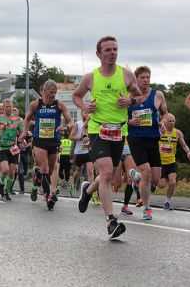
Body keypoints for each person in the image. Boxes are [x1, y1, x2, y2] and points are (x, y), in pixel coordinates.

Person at [72, 35, 141, 239]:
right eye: (108, 50)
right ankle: (111, 221)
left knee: (108, 175)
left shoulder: (127, 75)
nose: (112, 53)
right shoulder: (90, 77)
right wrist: (84, 106)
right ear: (99, 54)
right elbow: (76, 96)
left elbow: (138, 97)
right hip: (97, 130)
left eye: (115, 49)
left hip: (119, 131)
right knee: (107, 171)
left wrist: (129, 101)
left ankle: (87, 190)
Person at [24, 80, 74, 210]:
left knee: (51, 170)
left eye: (55, 93)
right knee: (45, 169)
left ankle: (36, 180)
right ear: (44, 91)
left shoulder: (59, 105)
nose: (53, 95)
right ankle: (48, 196)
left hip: (54, 141)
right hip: (39, 141)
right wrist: (25, 131)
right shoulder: (36, 105)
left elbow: (70, 121)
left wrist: (65, 126)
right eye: (51, 93)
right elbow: (27, 118)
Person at [127, 66, 167, 220]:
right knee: (147, 172)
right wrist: (130, 121)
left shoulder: (158, 95)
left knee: (156, 180)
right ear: (136, 79)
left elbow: (165, 113)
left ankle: (135, 176)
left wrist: (162, 122)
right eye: (142, 77)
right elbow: (119, 118)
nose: (145, 80)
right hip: (136, 139)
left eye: (148, 77)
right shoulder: (128, 96)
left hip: (153, 139)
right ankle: (146, 208)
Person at [158, 113, 190, 209]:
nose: (172, 123)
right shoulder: (160, 131)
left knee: (172, 182)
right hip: (160, 162)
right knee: (161, 185)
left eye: (173, 121)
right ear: (165, 121)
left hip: (171, 162)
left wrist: (188, 152)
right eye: (170, 121)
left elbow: (184, 145)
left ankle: (167, 202)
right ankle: (150, 183)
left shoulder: (177, 133)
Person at [0, 99, 24, 201]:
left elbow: (22, 132)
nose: (8, 108)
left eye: (9, 106)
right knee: (5, 170)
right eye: (6, 107)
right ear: (3, 108)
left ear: (12, 107)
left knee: (12, 172)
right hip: (2, 147)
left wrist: (22, 139)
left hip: (13, 148)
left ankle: (7, 190)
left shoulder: (18, 120)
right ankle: (2, 184)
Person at [69, 111, 94, 194]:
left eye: (87, 113)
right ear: (81, 114)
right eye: (84, 113)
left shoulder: (92, 124)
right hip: (79, 152)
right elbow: (71, 136)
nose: (86, 114)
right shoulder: (78, 124)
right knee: (77, 171)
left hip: (89, 151)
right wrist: (80, 138)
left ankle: (92, 192)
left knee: (90, 171)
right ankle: (72, 185)